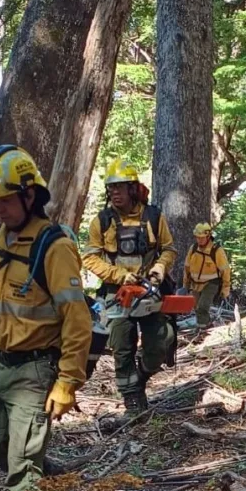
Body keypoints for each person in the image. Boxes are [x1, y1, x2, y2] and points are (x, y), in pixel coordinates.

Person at [0, 145, 92, 491]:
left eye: (5, 201)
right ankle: (41, 474)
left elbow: (77, 317)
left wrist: (67, 381)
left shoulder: (54, 247)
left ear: (29, 195)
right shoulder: (0, 238)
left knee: (21, 462)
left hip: (34, 370)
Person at [82, 158, 177, 415]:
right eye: (111, 188)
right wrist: (117, 274)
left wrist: (159, 269)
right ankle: (132, 398)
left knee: (161, 340)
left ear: (133, 189)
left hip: (149, 291)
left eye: (120, 187)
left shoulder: (154, 217)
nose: (114, 192)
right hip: (116, 294)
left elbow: (168, 249)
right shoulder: (101, 222)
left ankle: (143, 373)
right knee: (122, 347)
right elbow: (89, 257)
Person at [183, 223, 231, 330]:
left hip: (211, 283)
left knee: (203, 307)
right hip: (195, 283)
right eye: (197, 237)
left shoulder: (216, 251)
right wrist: (185, 284)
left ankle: (202, 330)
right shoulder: (194, 248)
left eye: (202, 238)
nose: (199, 240)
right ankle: (207, 324)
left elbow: (225, 270)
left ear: (208, 236)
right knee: (195, 307)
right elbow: (187, 267)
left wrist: (225, 288)